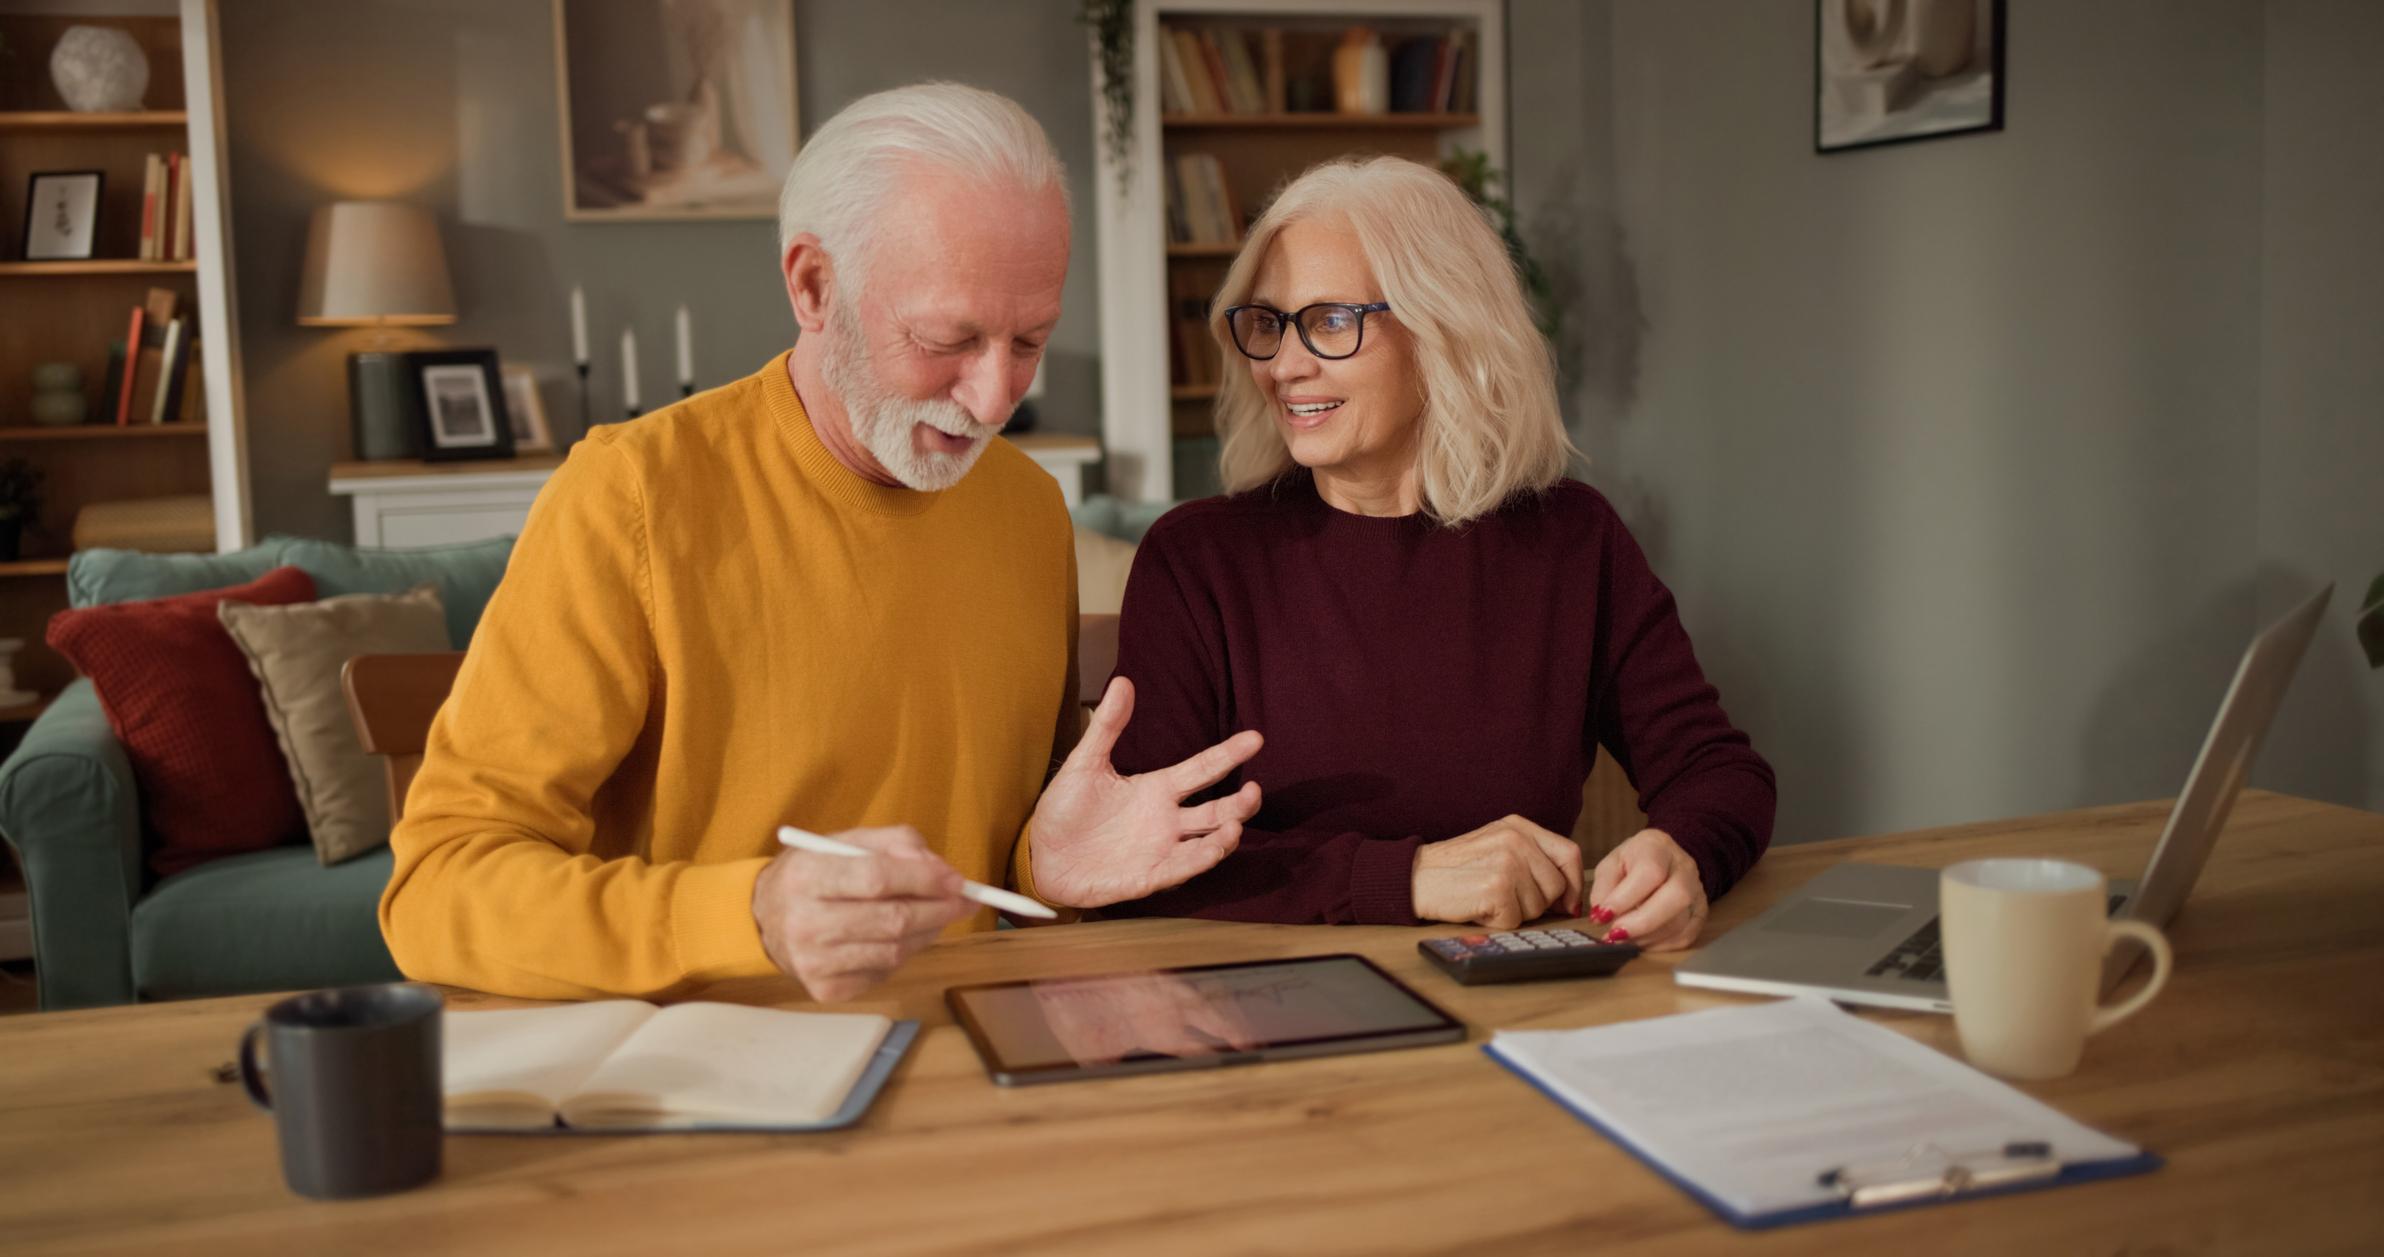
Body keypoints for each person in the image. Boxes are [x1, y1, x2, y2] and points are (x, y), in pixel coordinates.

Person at [381, 83, 1262, 1002]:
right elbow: (438, 888)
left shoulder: (1031, 509)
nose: (996, 399)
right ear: (812, 286)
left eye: (1030, 341)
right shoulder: (632, 497)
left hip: (973, 1055)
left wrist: (1043, 862)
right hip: (714, 1065)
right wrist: (753, 912)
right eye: (944, 338)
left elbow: (993, 860)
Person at [1078, 156, 1775, 949]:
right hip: (1273, 1010)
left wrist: (1681, 853)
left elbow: (1717, 770)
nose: (1282, 365)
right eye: (1269, 323)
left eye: (1331, 320)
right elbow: (1143, 858)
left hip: (1516, 1005)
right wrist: (1406, 877)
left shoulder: (1571, 542)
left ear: (1442, 329)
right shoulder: (1196, 561)